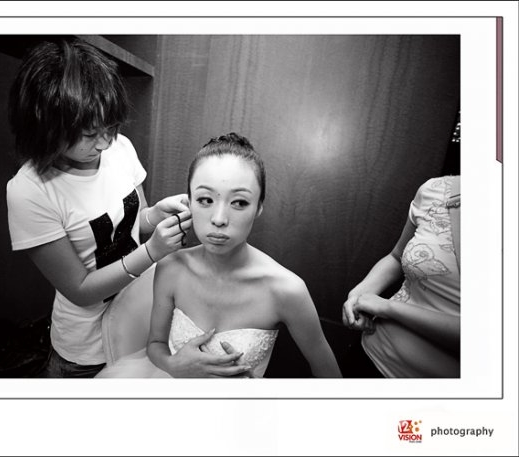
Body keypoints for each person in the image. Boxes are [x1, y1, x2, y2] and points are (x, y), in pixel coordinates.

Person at [6, 38, 192, 377]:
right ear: (47, 124)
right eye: (90, 134)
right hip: (85, 351)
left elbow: (135, 224)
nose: (105, 142)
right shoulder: (29, 191)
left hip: (138, 320)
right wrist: (152, 252)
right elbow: (80, 290)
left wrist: (156, 215)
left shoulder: (120, 148)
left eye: (110, 128)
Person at [97, 133, 342, 378]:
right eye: (205, 200)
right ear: (189, 202)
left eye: (239, 203)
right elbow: (155, 345)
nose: (219, 219)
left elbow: (330, 377)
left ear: (258, 207)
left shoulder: (287, 290)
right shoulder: (171, 267)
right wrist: (173, 365)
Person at [342, 175, 460, 378]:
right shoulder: (435, 189)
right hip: (370, 353)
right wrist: (358, 295)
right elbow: (396, 257)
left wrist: (387, 308)